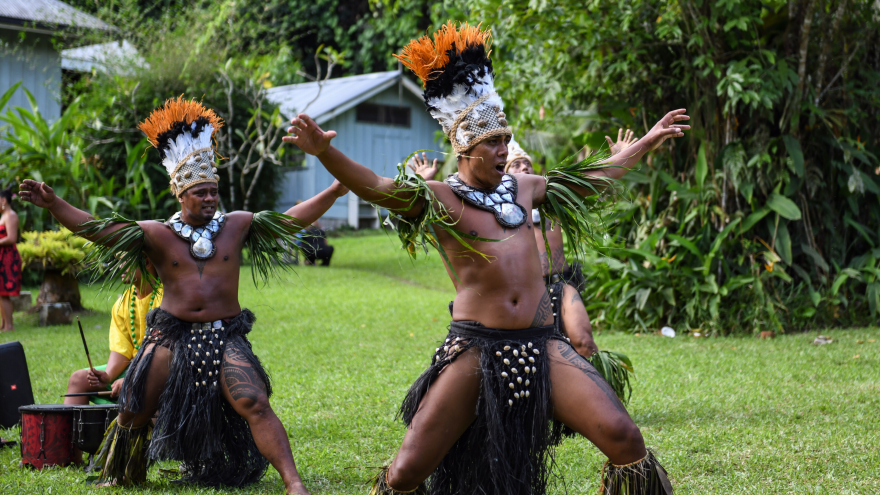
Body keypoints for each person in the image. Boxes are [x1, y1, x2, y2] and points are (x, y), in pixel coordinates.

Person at [284, 22, 688, 495]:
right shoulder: (439, 198)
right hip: (475, 350)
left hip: (543, 344)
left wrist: (645, 142)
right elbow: (376, 186)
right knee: (407, 471)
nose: (504, 151)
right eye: (494, 144)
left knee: (624, 437)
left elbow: (590, 182)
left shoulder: (525, 188)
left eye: (506, 140)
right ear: (465, 148)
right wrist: (325, 153)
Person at [19, 96, 348, 494]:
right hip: (170, 334)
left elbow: (289, 221)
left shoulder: (238, 225)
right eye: (200, 193)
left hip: (225, 333)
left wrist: (333, 190)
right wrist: (54, 203)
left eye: (213, 191)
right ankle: (120, 470)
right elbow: (98, 229)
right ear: (179, 191)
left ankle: (293, 483)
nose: (210, 198)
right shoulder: (156, 234)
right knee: (135, 409)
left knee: (254, 401)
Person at [410, 129, 637, 358]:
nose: (523, 168)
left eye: (526, 163)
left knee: (584, 341)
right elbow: (432, 209)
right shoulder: (495, 210)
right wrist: (425, 180)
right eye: (516, 165)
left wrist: (617, 156)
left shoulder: (547, 197)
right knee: (538, 355)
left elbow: (589, 182)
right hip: (529, 294)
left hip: (561, 284)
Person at [63, 258, 164, 406]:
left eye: (124, 261)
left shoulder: (167, 300)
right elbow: (122, 349)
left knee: (143, 392)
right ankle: (66, 430)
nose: (119, 266)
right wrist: (108, 376)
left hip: (160, 369)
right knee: (78, 379)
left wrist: (132, 380)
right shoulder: (123, 303)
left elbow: (162, 353)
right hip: (134, 368)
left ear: (147, 262)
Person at [0, 188, 21, 332]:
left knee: (4, 293)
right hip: (2, 257)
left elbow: (12, 238)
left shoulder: (11, 216)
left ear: (3, 200)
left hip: (8, 258)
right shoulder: (3, 216)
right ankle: (3, 324)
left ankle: (9, 326)